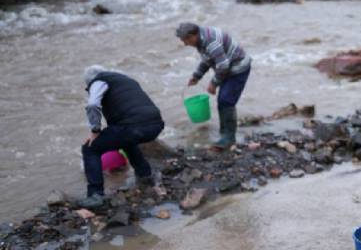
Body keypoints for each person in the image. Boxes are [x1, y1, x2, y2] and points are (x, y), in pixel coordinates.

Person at [80, 65, 164, 208]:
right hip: (155, 125)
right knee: (125, 139)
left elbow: (93, 104)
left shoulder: (98, 81)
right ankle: (145, 176)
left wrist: (95, 131)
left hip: (133, 127)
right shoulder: (125, 79)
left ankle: (96, 195)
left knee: (90, 148)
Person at [176, 22, 252, 151]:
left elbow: (223, 66)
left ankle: (229, 138)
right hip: (228, 67)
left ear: (192, 36)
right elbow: (207, 60)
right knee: (223, 100)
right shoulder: (201, 39)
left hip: (238, 67)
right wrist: (197, 76)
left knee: (226, 100)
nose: (185, 44)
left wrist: (213, 83)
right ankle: (225, 133)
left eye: (185, 40)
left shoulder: (211, 42)